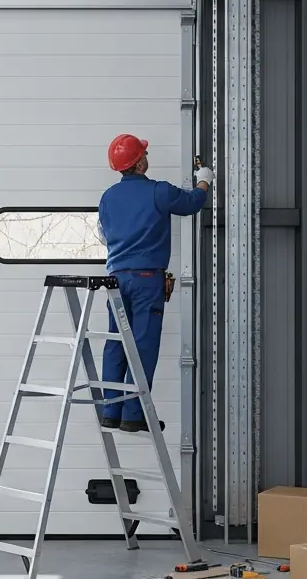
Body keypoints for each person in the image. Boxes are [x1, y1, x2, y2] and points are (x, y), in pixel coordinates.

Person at [96, 134, 213, 432]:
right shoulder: (158, 192)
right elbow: (192, 203)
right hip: (147, 280)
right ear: (138, 163)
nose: (148, 156)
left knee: (116, 343)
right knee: (143, 344)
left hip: (116, 280)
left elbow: (104, 233)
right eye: (144, 153)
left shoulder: (108, 197)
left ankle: (110, 410)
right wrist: (205, 180)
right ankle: (134, 415)